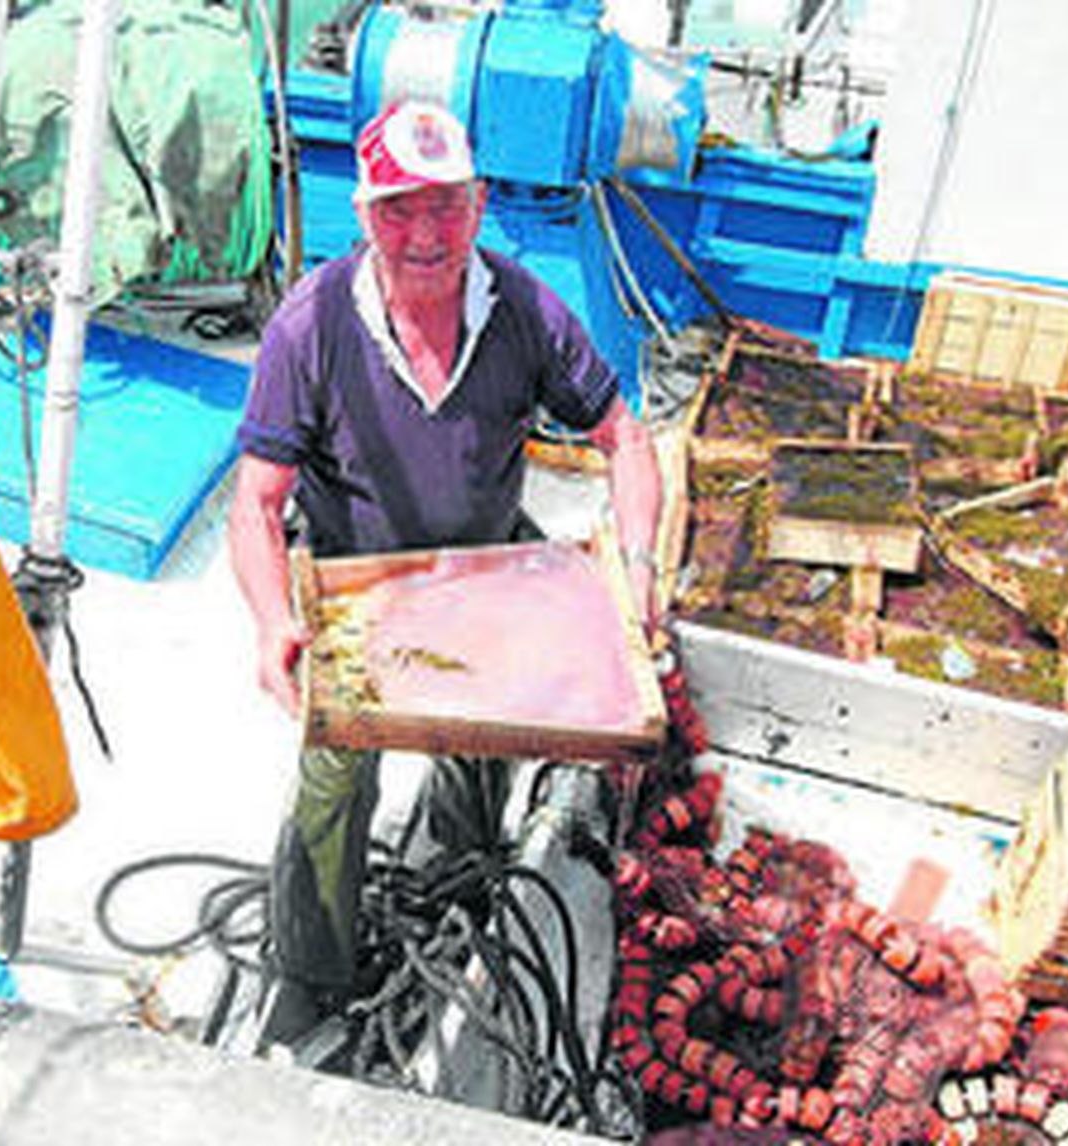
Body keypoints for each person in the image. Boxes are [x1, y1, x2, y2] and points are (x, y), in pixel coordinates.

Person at [227, 99, 662, 1050]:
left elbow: (625, 438)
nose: (424, 235)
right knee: (335, 775)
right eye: (399, 209)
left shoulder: (526, 309)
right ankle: (308, 969)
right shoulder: (309, 327)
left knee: (485, 737)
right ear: (362, 211)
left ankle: (458, 882)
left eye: (446, 207)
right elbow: (256, 502)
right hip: (356, 575)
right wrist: (272, 621)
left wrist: (636, 569)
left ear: (480, 204)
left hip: (485, 560)